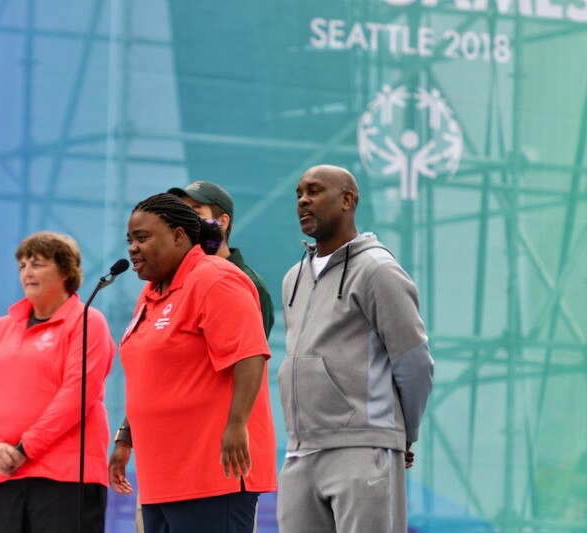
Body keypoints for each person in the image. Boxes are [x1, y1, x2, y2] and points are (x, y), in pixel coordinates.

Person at [277, 165, 434, 532]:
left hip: (363, 447)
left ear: (348, 200)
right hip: (300, 450)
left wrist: (403, 433)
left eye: (314, 191)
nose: (302, 200)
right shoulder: (293, 278)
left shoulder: (377, 270)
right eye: (298, 193)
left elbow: (414, 363)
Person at [108, 193, 278, 533]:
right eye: (130, 240)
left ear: (178, 236)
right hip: (161, 476)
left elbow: (250, 354)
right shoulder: (151, 293)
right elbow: (150, 374)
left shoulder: (215, 278)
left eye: (142, 238)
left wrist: (236, 424)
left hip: (213, 472)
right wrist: (125, 436)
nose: (132, 248)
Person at [0, 231, 116, 533]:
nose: (27, 272)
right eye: (22, 265)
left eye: (37, 264)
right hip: (5, 476)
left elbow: (77, 394)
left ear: (65, 271)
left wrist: (24, 448)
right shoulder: (1, 328)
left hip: (66, 477)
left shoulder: (87, 321)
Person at [167, 180, 274, 339]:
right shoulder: (177, 280)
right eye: (182, 215)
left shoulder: (250, 284)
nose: (184, 223)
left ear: (222, 222)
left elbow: (252, 358)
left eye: (195, 213)